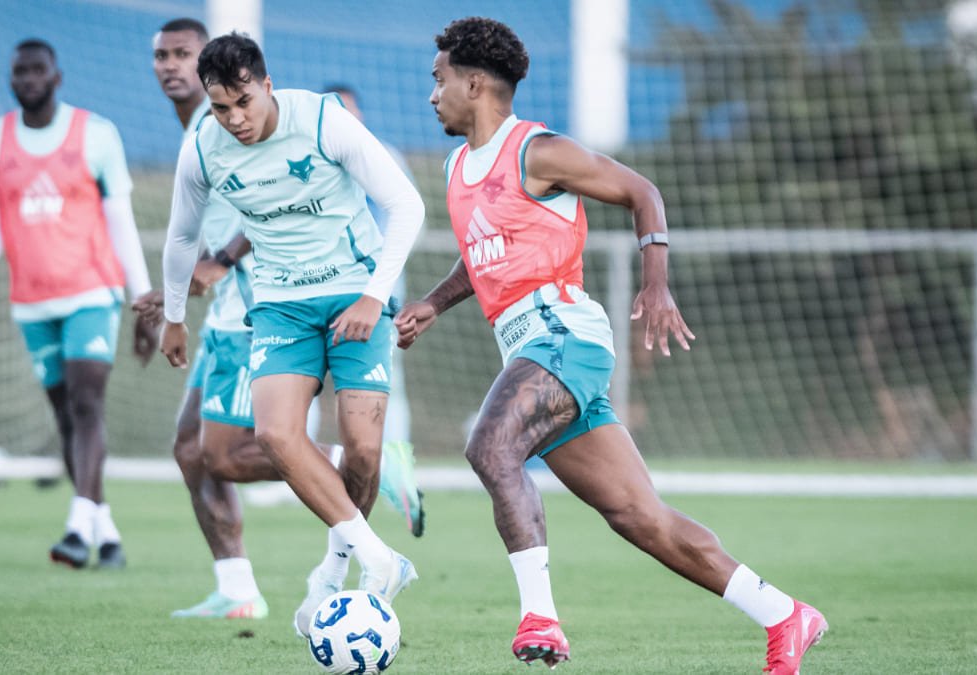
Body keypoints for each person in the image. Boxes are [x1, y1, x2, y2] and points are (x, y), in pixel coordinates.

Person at [396, 17, 827, 672]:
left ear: (475, 82)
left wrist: (657, 284)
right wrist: (432, 301)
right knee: (639, 518)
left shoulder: (536, 150)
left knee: (490, 446)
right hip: (531, 351)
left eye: (440, 80)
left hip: (565, 334)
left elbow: (641, 191)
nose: (432, 94)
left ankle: (539, 616)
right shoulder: (460, 166)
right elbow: (484, 255)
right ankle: (784, 615)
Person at [134, 18, 424, 621]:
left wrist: (374, 296)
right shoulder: (203, 148)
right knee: (271, 437)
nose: (235, 118)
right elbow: (182, 236)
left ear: (268, 84)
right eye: (221, 107)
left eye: (244, 101)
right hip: (280, 304)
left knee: (363, 452)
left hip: (353, 296)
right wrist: (175, 317)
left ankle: (336, 569)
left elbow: (406, 204)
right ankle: (380, 560)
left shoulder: (321, 120)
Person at [0, 38, 158, 570]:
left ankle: (77, 527)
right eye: (18, 71)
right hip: (32, 299)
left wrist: (141, 301)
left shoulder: (96, 135)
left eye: (37, 70)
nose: (27, 78)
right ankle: (106, 530)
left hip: (91, 292)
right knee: (64, 416)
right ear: (11, 80)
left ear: (57, 77)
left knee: (86, 404)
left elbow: (119, 220)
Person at [323, 83, 424, 536]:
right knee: (305, 383)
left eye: (350, 111)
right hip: (317, 290)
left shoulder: (382, 155)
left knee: (384, 384)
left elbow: (407, 217)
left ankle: (396, 464)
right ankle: (305, 470)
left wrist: (377, 286)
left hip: (374, 295)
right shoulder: (309, 158)